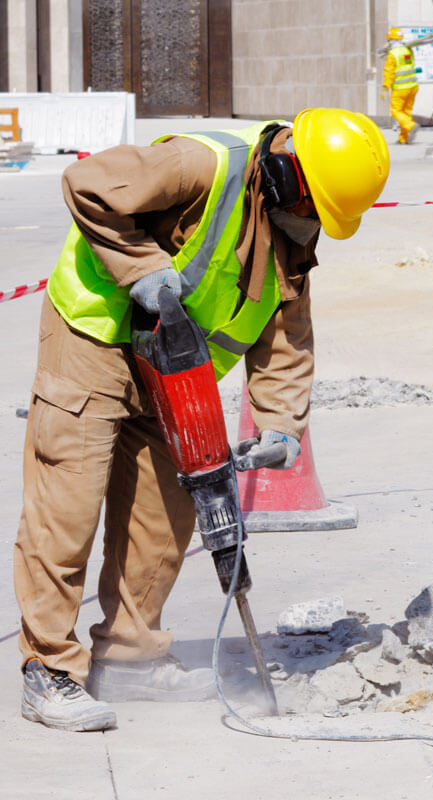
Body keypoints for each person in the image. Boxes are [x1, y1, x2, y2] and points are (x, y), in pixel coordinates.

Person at [14, 107, 389, 731]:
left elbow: (286, 330)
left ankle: (131, 657)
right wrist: (141, 270)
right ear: (285, 166)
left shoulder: (293, 226)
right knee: (69, 505)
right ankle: (48, 669)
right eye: (311, 206)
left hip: (172, 367)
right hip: (95, 338)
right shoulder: (200, 162)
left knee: (167, 512)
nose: (311, 223)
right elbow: (88, 184)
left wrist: (279, 424)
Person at [382, 27, 421, 144]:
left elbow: (389, 72)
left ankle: (410, 125)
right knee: (406, 112)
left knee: (395, 111)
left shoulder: (392, 54)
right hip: (413, 87)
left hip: (400, 88)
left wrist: (385, 87)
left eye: (389, 40)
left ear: (391, 40)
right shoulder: (408, 50)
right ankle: (403, 138)